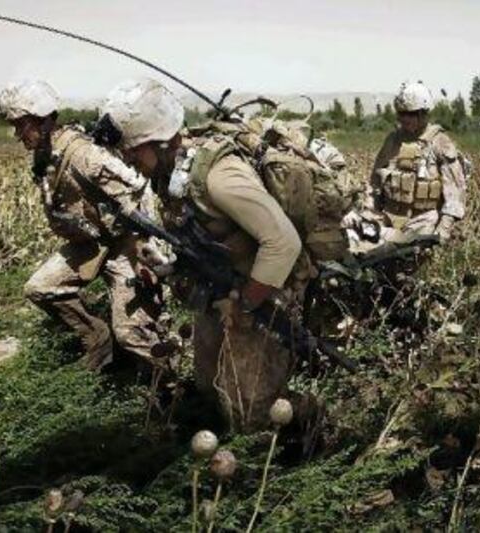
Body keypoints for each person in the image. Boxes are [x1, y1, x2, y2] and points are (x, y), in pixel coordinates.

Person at [99, 78, 317, 433]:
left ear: (165, 141)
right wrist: (169, 267)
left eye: (134, 150)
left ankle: (314, 426)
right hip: (223, 291)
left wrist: (244, 304)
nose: (128, 158)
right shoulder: (168, 174)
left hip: (265, 291)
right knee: (209, 385)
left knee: (251, 412)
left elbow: (283, 243)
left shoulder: (219, 176)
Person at [0, 80, 166, 371]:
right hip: (91, 243)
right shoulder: (45, 153)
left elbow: (139, 193)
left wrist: (149, 254)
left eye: (21, 125)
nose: (17, 134)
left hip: (126, 243)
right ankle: (97, 339)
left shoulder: (84, 154)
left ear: (43, 118)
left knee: (131, 334)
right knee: (40, 288)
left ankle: (170, 385)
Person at [346, 80, 470, 254]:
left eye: (410, 114)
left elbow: (455, 196)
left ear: (423, 113)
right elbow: (375, 185)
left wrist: (442, 231)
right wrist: (367, 215)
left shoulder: (440, 143)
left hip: (422, 223)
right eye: (401, 113)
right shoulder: (392, 140)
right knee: (351, 245)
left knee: (398, 259)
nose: (404, 118)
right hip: (387, 220)